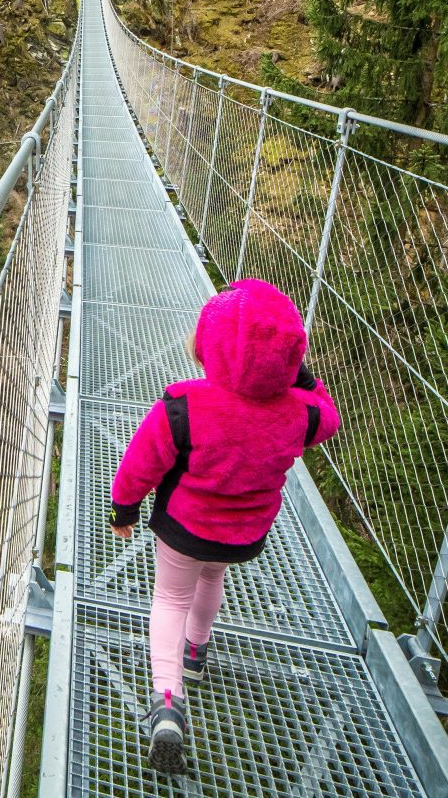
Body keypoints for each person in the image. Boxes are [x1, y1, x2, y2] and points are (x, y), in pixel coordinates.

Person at [109, 278, 341, 776]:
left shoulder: (182, 406)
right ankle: (197, 650)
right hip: (243, 534)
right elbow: (329, 415)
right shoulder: (299, 415)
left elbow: (138, 466)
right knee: (212, 579)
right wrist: (298, 375)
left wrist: (124, 511)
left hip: (183, 528)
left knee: (169, 598)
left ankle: (167, 700)